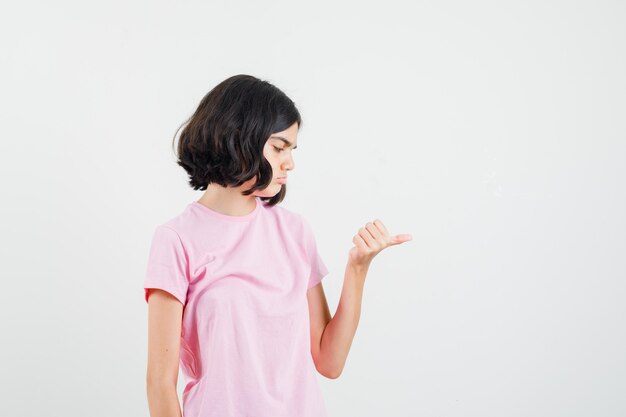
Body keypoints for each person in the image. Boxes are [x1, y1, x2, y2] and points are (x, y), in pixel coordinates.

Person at [143, 74, 412, 417]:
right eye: (279, 147)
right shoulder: (176, 239)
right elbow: (160, 383)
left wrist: (358, 268)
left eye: (292, 149)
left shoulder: (294, 232)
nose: (290, 162)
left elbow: (329, 362)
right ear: (238, 138)